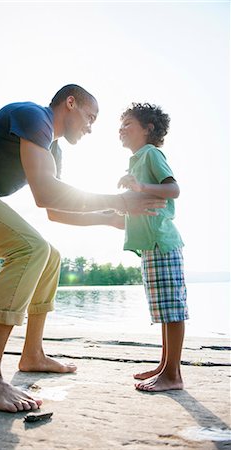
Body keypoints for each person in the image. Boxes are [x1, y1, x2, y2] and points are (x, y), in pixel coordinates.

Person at [0, 85, 166, 412]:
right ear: (70, 103)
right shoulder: (34, 115)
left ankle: (32, 354)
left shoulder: (53, 151)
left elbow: (55, 211)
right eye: (90, 116)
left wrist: (111, 219)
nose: (90, 127)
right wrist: (121, 201)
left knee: (50, 255)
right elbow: (45, 193)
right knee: (30, 249)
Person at [117, 102, 189, 392]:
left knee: (172, 309)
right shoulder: (137, 159)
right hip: (151, 245)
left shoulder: (151, 153)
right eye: (120, 125)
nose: (121, 129)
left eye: (127, 124)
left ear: (148, 128)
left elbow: (174, 190)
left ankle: (173, 375)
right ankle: (164, 365)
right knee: (163, 308)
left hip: (162, 241)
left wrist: (141, 188)